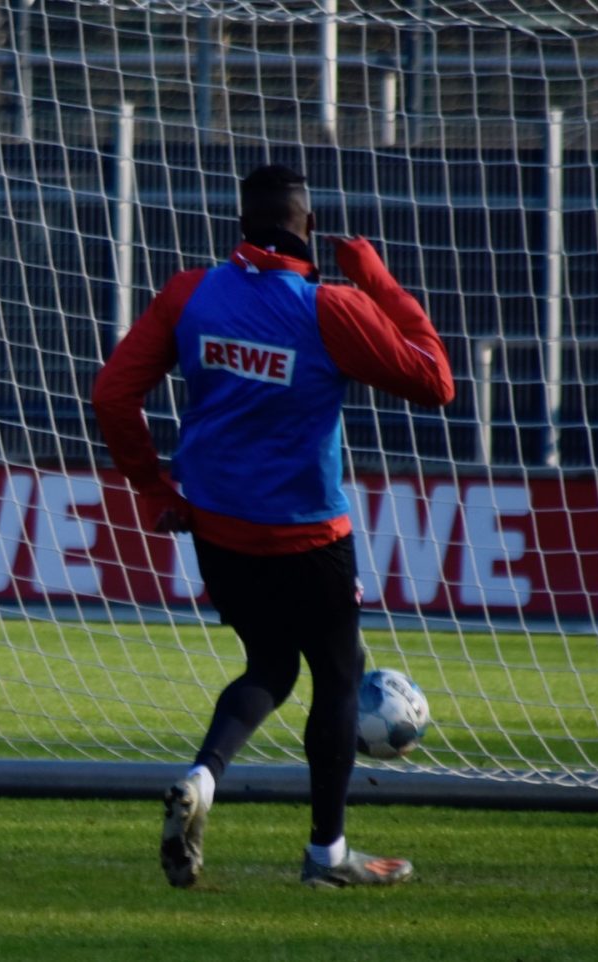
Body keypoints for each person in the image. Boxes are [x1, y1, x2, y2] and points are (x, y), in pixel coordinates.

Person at [92, 164, 454, 888]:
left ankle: (202, 776)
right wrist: (378, 279)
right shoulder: (331, 306)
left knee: (270, 667)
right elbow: (435, 381)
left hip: (220, 530)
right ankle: (327, 856)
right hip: (310, 536)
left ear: (240, 222)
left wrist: (152, 484)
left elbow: (111, 394)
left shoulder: (190, 293)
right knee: (339, 673)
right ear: (308, 227)